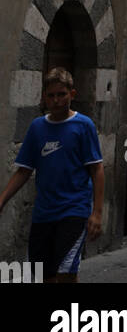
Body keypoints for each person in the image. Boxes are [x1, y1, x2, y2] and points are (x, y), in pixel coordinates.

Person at [0, 69, 103, 283]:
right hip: (44, 214)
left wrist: (97, 213)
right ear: (44, 97)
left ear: (72, 94)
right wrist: (2, 200)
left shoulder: (83, 126)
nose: (56, 100)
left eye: (61, 94)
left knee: (65, 273)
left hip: (74, 210)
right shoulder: (37, 128)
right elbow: (24, 170)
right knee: (40, 277)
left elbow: (96, 169)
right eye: (51, 95)